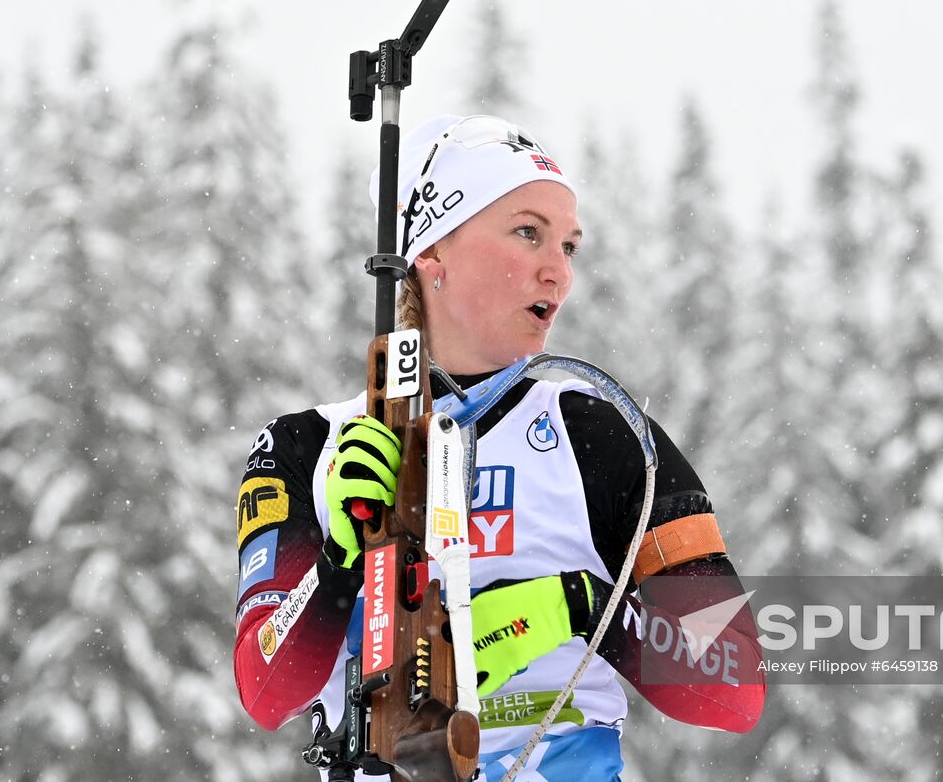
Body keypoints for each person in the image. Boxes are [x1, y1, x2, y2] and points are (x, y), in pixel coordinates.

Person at [233, 114, 765, 780]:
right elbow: (264, 686)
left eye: (569, 246)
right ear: (431, 255)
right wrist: (338, 562)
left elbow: (734, 682)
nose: (559, 274)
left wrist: (573, 605)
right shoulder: (311, 447)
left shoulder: (599, 437)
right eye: (527, 233)